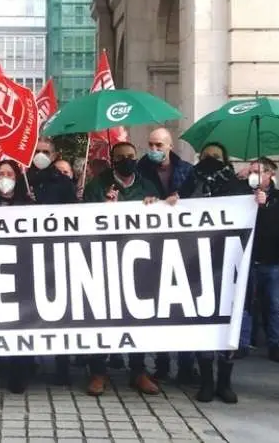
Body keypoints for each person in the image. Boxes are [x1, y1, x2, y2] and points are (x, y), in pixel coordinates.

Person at [177, 142, 254, 404]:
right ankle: (207, 381)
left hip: (229, 263)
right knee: (203, 321)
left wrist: (259, 199)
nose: (210, 160)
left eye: (216, 157)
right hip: (198, 263)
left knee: (227, 323)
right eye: (206, 155)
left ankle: (225, 381)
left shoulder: (237, 185)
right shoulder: (190, 182)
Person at [82, 141, 159, 397]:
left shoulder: (147, 183)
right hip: (104, 260)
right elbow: (81, 220)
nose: (127, 160)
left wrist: (156, 203)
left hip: (139, 261)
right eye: (121, 157)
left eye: (131, 156)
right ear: (112, 160)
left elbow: (165, 212)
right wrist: (103, 207)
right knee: (100, 317)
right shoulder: (97, 185)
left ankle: (138, 371)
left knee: (137, 315)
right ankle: (98, 371)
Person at [137, 128, 195, 383]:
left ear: (170, 145)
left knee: (184, 307)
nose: (154, 149)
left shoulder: (187, 171)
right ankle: (160, 364)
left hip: (183, 248)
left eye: (159, 144)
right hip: (152, 248)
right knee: (158, 306)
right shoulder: (140, 170)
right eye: (150, 144)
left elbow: (200, 197)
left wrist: (180, 200)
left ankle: (186, 365)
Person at [0, 160, 35, 393]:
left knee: (19, 324)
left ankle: (19, 374)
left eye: (10, 173)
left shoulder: (28, 203)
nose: (5, 177)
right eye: (1, 173)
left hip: (20, 271)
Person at [244, 157, 279, 364]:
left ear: (270, 174)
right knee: (246, 304)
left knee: (274, 305)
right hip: (249, 258)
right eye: (250, 172)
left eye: (257, 171)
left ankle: (275, 343)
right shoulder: (243, 196)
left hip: (274, 260)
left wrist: (265, 207)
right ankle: (243, 343)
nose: (252, 176)